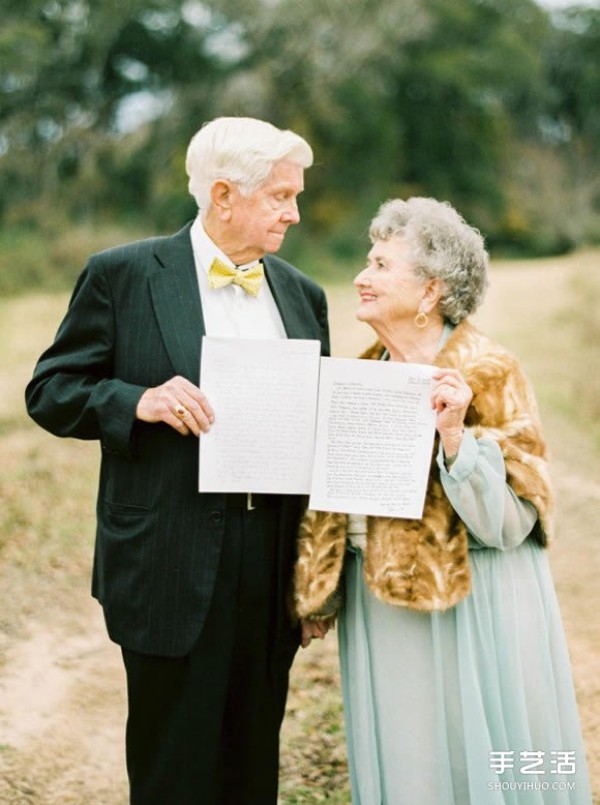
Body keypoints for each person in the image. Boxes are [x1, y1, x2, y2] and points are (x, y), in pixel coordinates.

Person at [25, 116, 330, 805]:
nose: (295, 211)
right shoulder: (122, 275)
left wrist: (315, 576)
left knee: (252, 765)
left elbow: (317, 437)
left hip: (269, 561)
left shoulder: (304, 295)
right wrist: (138, 401)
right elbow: (50, 391)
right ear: (223, 194)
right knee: (173, 771)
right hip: (168, 559)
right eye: (282, 195)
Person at [293, 197, 592, 804]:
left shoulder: (489, 372)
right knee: (412, 768)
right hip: (383, 613)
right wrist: (317, 586)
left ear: (429, 291)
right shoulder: (363, 373)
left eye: (379, 264)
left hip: (479, 609)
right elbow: (336, 501)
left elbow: (512, 523)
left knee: (479, 760)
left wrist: (456, 439)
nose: (361, 277)